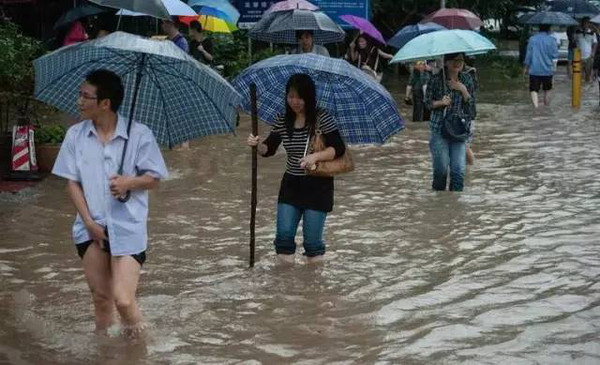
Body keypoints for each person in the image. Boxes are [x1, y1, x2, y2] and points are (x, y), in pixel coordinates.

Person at [52, 69, 168, 338]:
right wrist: (90, 223)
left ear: (105, 103)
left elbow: (155, 178)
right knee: (102, 299)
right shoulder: (75, 135)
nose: (79, 101)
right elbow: (72, 182)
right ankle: (107, 354)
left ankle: (141, 349)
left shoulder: (139, 134)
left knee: (124, 300)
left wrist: (129, 183)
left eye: (85, 96)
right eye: (79, 94)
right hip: (90, 227)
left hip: (128, 226)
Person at [246, 74, 346, 264]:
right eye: (291, 96)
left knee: (312, 244)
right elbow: (269, 149)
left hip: (318, 186)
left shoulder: (322, 118)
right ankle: (284, 285)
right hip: (291, 184)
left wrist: (315, 156)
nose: (295, 102)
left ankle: (312, 288)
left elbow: (338, 148)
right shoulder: (282, 120)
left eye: (300, 97)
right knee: (283, 238)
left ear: (309, 97)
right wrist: (256, 145)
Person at [425, 52, 476, 192]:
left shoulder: (467, 79)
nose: (457, 63)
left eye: (460, 60)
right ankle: (440, 204)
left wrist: (463, 90)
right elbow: (427, 104)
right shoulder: (436, 79)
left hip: (459, 131)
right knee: (441, 171)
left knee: (458, 171)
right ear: (446, 62)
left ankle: (455, 207)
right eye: (453, 60)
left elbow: (472, 110)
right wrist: (441, 102)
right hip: (439, 129)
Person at [523, 24, 558, 108]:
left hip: (534, 70)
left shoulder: (532, 39)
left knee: (534, 90)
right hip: (548, 70)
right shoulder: (552, 40)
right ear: (549, 29)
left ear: (539, 28)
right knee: (547, 89)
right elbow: (555, 57)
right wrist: (554, 70)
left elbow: (528, 55)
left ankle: (536, 107)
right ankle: (546, 107)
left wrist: (525, 67)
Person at [575, 17, 598, 83]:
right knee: (578, 75)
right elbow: (573, 41)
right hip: (578, 57)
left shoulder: (592, 33)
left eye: (587, 22)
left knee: (588, 74)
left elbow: (595, 43)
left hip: (589, 56)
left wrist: (593, 53)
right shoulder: (577, 32)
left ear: (589, 24)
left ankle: (586, 86)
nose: (585, 24)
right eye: (584, 22)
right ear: (582, 23)